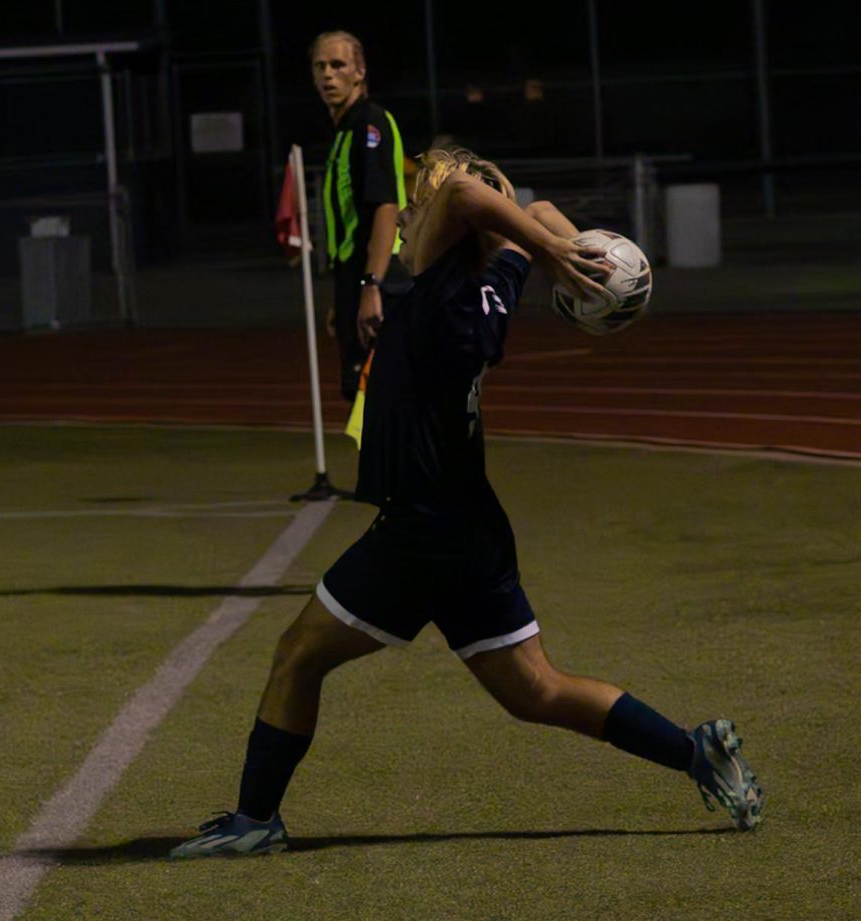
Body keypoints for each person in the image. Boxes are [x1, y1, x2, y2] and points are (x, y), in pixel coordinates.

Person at [170, 148, 763, 858]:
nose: (413, 216)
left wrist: (541, 243)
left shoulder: (451, 274)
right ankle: (694, 750)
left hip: (421, 529)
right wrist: (568, 254)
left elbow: (461, 197)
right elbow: (528, 214)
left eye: (415, 206)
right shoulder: (496, 276)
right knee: (535, 691)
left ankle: (256, 818)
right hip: (466, 523)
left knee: (297, 654)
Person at [310, 30, 408, 402]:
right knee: (361, 401)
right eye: (320, 67)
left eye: (338, 65)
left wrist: (371, 287)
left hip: (382, 279)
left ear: (360, 72)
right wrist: (343, 297)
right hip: (356, 279)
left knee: (384, 400)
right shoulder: (341, 134)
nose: (328, 75)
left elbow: (385, 206)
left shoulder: (371, 124)